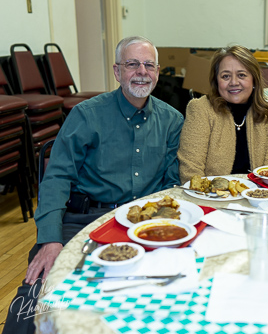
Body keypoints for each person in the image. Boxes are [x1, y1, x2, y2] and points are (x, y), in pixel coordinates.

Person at [3, 36, 184, 334]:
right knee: (39, 293)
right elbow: (57, 177)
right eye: (132, 64)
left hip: (143, 223)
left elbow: (170, 182)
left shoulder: (172, 120)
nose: (141, 71)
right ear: (116, 71)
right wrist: (50, 240)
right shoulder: (87, 115)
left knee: (167, 291)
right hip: (84, 220)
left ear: (158, 71)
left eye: (149, 65)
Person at [178, 45, 268, 182]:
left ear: (254, 80)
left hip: (256, 197)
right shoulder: (200, 109)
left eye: (241, 75)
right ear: (216, 81)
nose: (233, 82)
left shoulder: (266, 113)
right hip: (210, 197)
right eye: (225, 76)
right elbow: (190, 172)